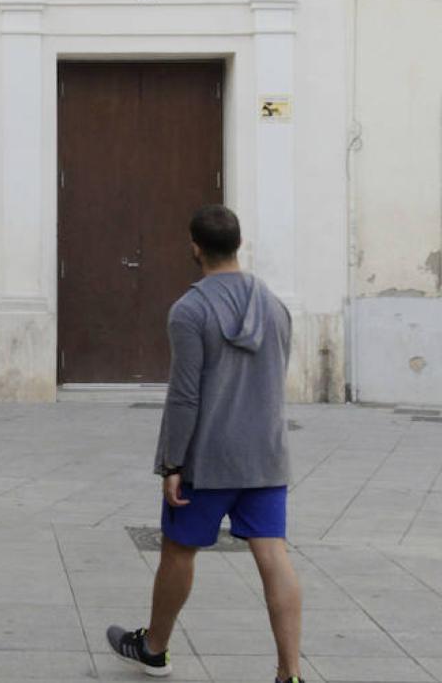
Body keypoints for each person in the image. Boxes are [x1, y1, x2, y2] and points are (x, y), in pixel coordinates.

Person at [106, 204, 303, 683]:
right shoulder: (275, 306)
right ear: (239, 244)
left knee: (179, 550)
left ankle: (154, 649)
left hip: (207, 459)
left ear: (194, 247)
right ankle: (290, 674)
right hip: (265, 458)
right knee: (273, 554)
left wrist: (173, 462)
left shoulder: (190, 309)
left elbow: (185, 395)